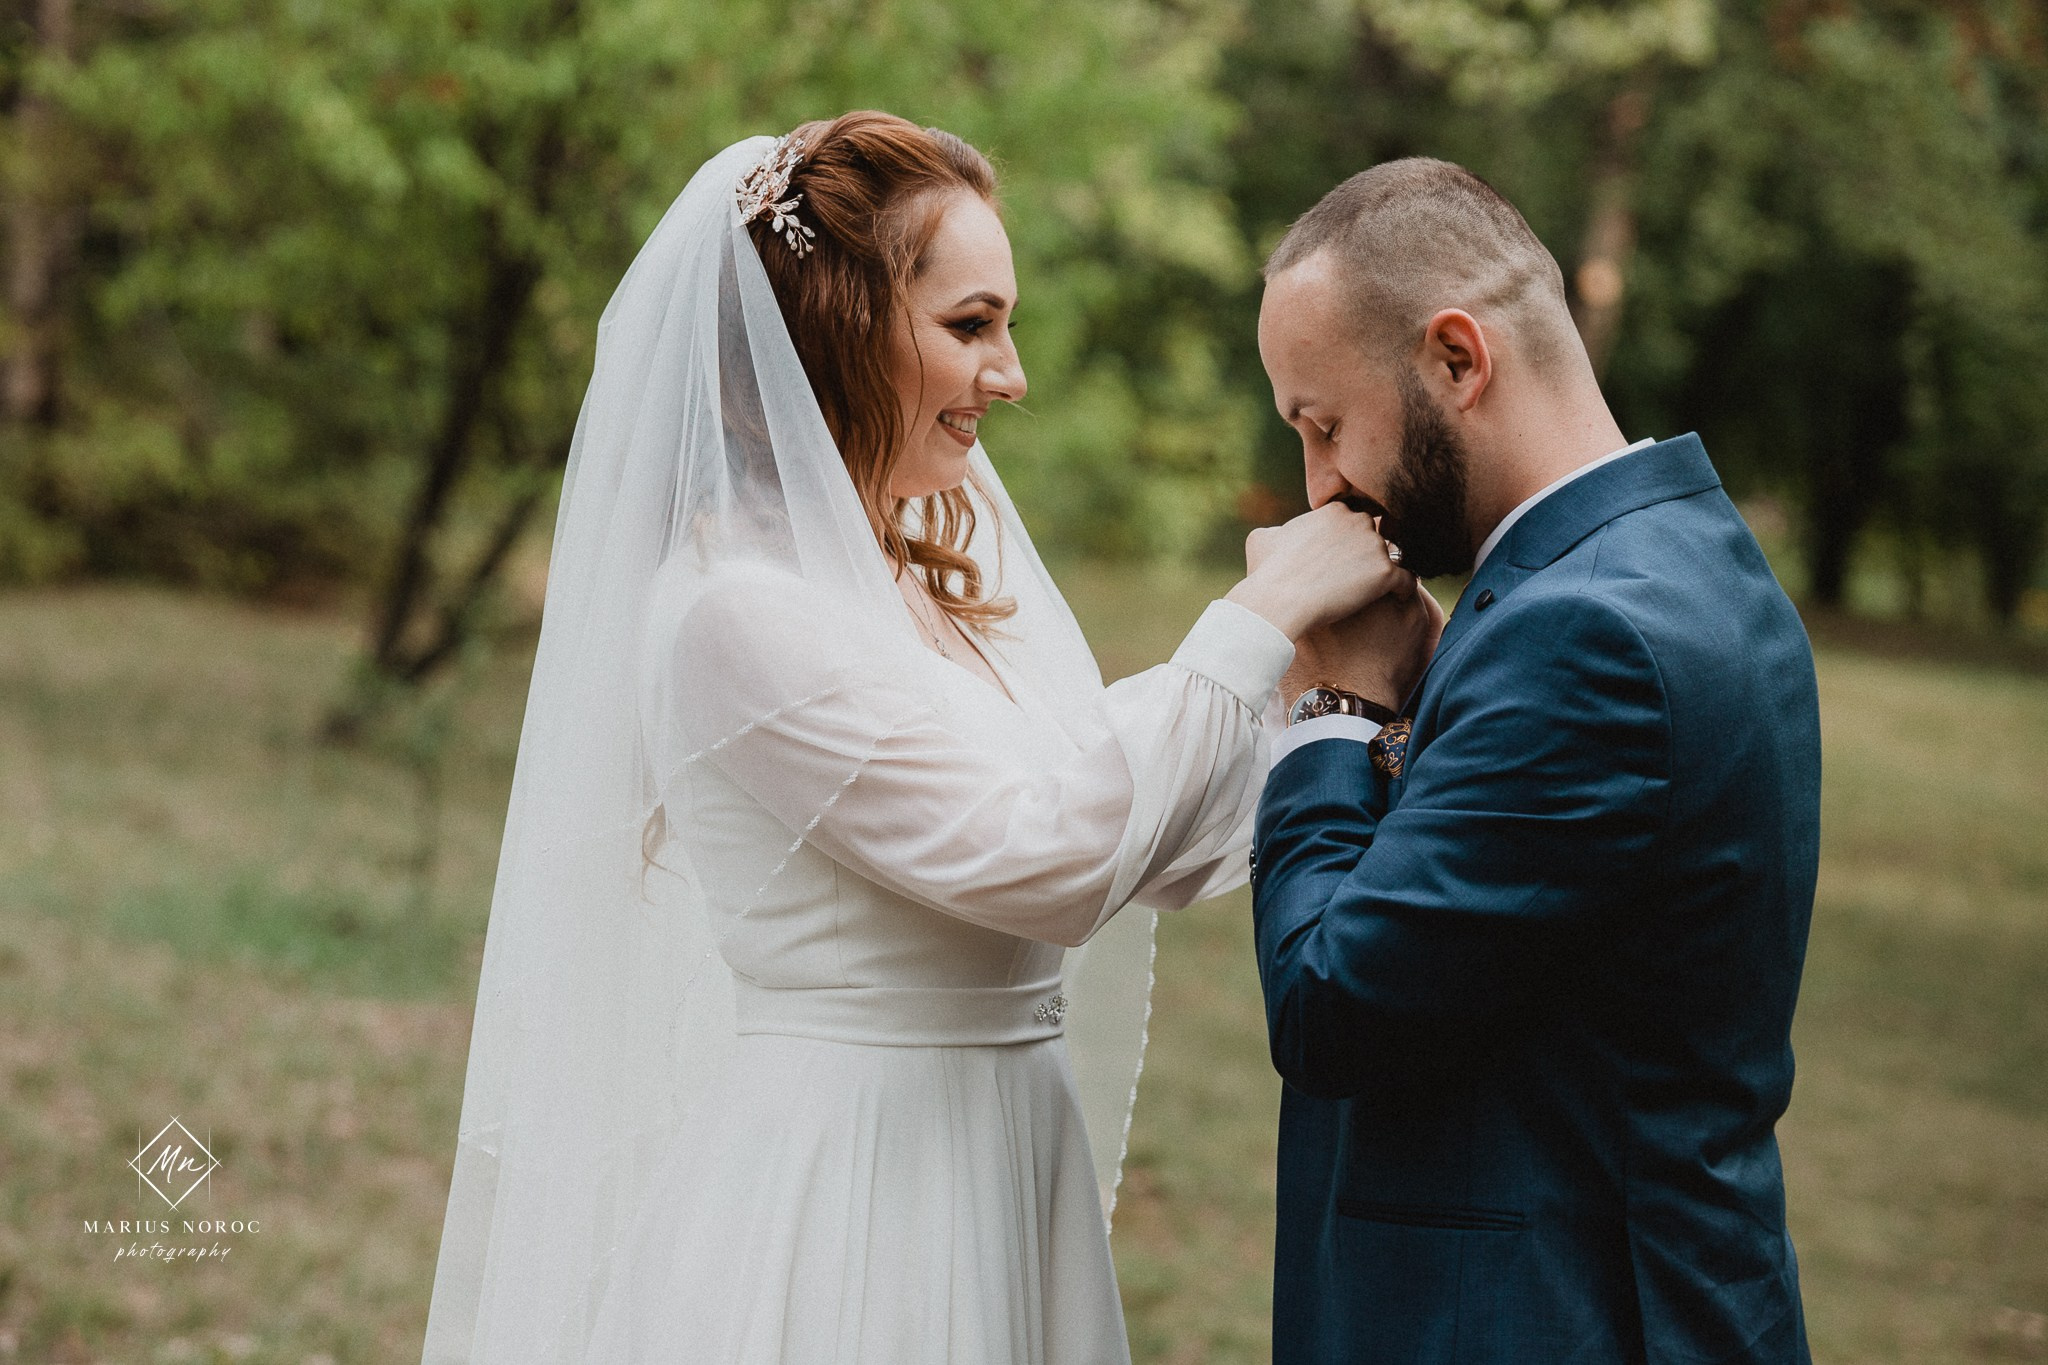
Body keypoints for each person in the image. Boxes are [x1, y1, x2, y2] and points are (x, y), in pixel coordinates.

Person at [418, 112, 1395, 1365]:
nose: (1012, 373)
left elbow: (1129, 831)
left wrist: (1333, 707)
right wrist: (1256, 618)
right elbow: (1042, 858)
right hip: (858, 1183)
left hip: (999, 1150)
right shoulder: (736, 614)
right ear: (836, 325)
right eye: (969, 324)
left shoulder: (922, 577)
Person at [1247, 158, 1821, 1363]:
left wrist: (1332, 708)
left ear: (1457, 359)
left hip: (1540, 1320)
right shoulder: (1680, 558)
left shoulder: (1578, 634)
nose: (1318, 484)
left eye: (1323, 424)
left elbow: (1330, 1005)